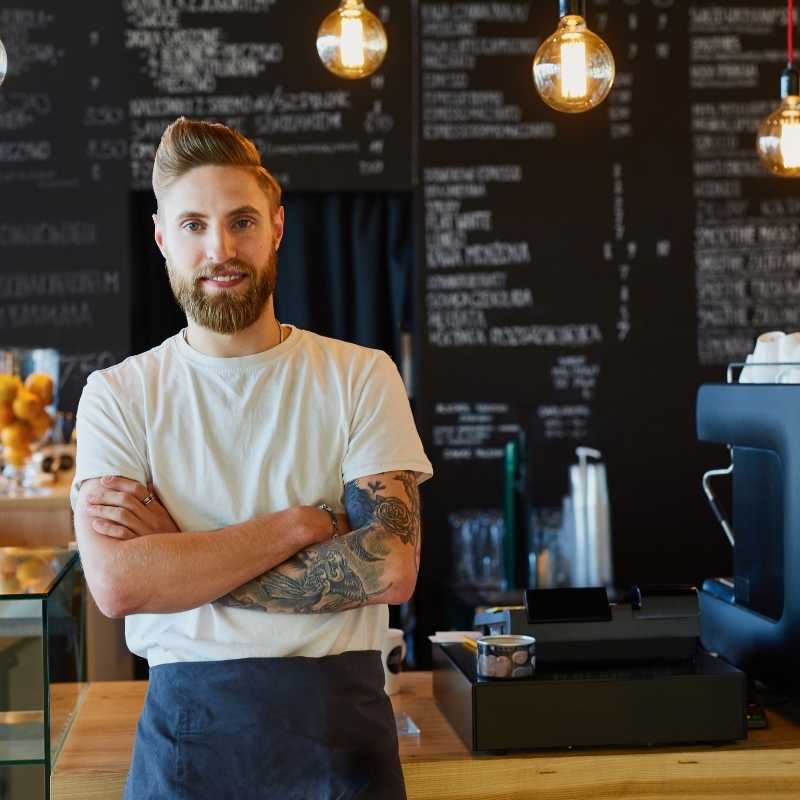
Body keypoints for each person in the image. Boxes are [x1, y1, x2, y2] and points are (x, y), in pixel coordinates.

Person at [71, 117, 433, 800]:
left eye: (241, 221)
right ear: (162, 239)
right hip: (186, 737)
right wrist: (291, 529)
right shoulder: (118, 395)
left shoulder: (359, 375)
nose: (220, 248)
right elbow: (119, 585)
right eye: (194, 226)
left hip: (341, 735)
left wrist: (178, 562)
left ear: (277, 227)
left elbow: (387, 566)